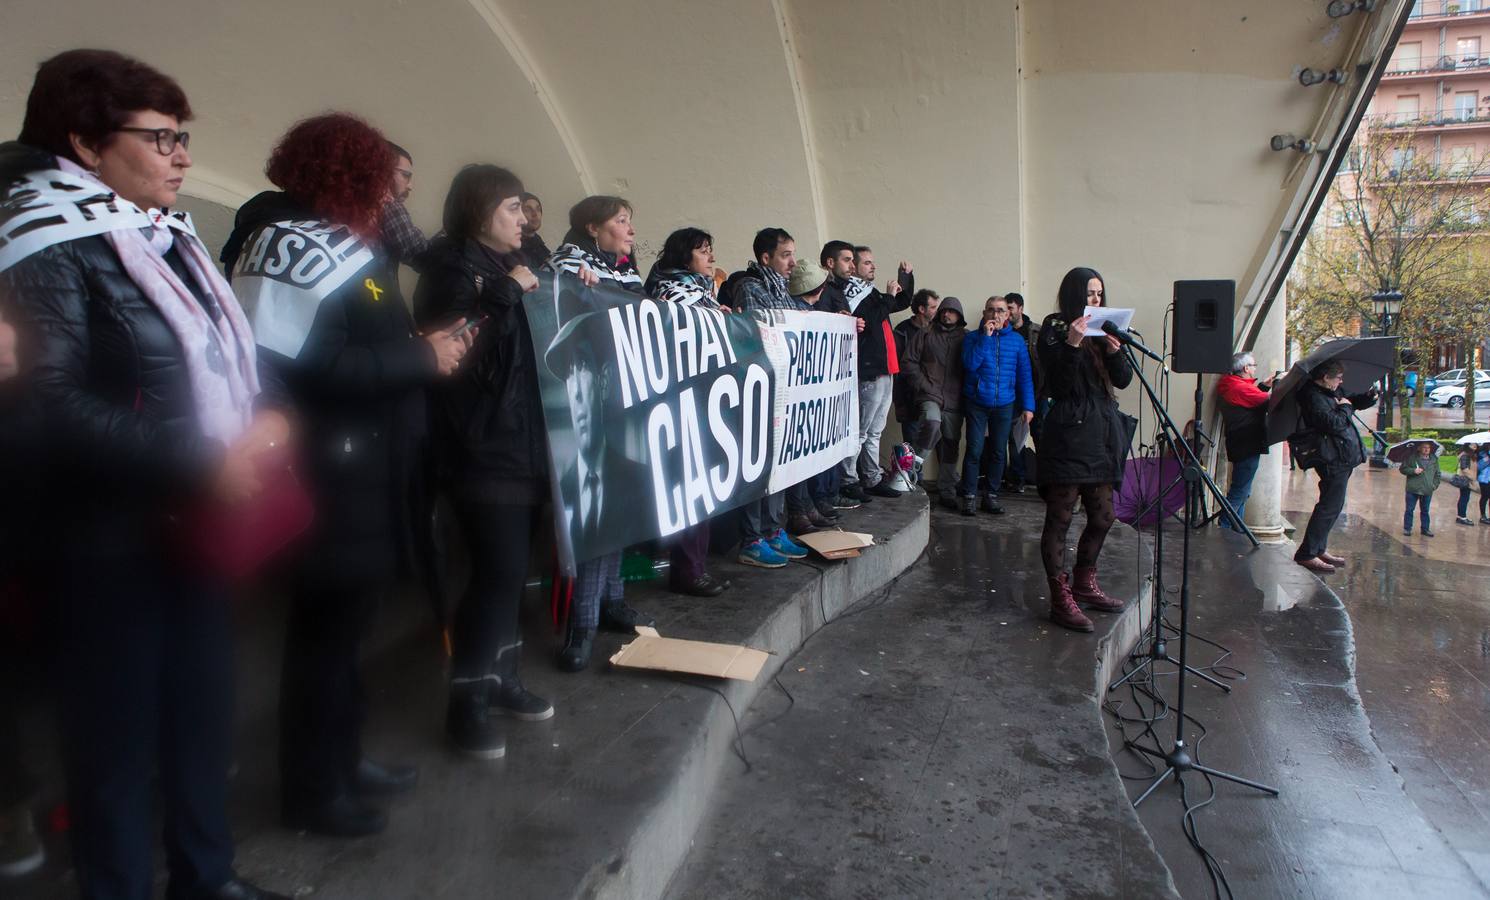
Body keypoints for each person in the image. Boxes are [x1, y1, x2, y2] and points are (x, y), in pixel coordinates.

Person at [2, 49, 289, 899]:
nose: (184, 156)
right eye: (162, 137)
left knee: (201, 722)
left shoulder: (161, 234)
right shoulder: (43, 243)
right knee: (115, 753)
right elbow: (46, 402)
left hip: (193, 528)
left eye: (184, 136)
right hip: (105, 539)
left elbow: (220, 348)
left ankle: (208, 879)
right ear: (86, 143)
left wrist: (263, 408)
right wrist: (201, 457)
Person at [225, 113, 471, 839]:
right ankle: (312, 787)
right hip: (329, 476)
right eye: (382, 179)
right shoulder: (287, 240)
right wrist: (419, 360)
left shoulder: (345, 241)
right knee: (323, 640)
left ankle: (345, 758)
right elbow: (298, 365)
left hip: (373, 468)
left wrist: (414, 348)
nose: (394, 198)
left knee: (350, 633)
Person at [411, 164, 552, 759]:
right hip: (479, 446)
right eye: (513, 208)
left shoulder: (503, 269)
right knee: (493, 574)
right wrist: (508, 290)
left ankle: (501, 679)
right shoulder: (451, 270)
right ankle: (465, 701)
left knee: (511, 573)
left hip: (518, 442)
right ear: (479, 210)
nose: (524, 219)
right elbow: (455, 355)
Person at [543, 195, 656, 670]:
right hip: (590, 399)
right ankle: (582, 627)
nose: (631, 230)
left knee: (623, 497)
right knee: (596, 509)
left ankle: (611, 599)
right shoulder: (568, 265)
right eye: (621, 221)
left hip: (626, 398)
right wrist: (575, 286)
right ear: (593, 227)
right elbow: (552, 310)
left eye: (631, 220)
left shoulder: (625, 270)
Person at [1035, 268, 1133, 632]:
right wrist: (1074, 344)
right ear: (1075, 294)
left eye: (1100, 294)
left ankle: (1083, 581)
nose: (1096, 300)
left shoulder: (1103, 331)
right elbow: (1058, 384)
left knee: (1104, 516)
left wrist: (1113, 351)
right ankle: (1060, 598)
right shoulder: (1055, 328)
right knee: (1060, 518)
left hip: (1102, 431)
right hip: (1069, 433)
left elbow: (1121, 380)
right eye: (1090, 293)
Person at [644, 228, 732, 597]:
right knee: (692, 486)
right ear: (684, 256)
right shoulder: (671, 290)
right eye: (703, 252)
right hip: (680, 401)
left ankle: (693, 565)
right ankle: (688, 570)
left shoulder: (699, 289)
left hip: (702, 398)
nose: (711, 258)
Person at [725, 228, 811, 568]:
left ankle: (774, 529)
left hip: (782, 391)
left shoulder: (784, 291)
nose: (793, 262)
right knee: (758, 468)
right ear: (766, 258)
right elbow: (756, 334)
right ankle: (752, 538)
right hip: (759, 390)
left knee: (779, 465)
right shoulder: (751, 288)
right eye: (786, 255)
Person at [838, 246, 915, 502]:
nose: (873, 267)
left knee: (875, 430)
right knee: (860, 430)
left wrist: (904, 279)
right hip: (869, 370)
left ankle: (871, 477)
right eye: (867, 263)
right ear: (854, 268)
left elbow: (902, 302)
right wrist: (890, 296)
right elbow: (871, 319)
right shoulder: (851, 294)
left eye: (873, 262)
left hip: (886, 369)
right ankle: (850, 479)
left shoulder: (870, 293)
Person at [1291, 359, 1377, 575]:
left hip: (1341, 455)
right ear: (1324, 377)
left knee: (1334, 505)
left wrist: (1366, 398)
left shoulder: (1329, 391)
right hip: (1331, 457)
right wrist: (1346, 408)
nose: (1341, 380)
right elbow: (1334, 422)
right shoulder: (1312, 396)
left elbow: (1348, 402)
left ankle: (1319, 548)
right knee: (1329, 506)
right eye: (1337, 377)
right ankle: (1307, 553)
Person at [959, 296, 1034, 516]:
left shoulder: (1017, 341)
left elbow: (1025, 376)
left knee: (999, 452)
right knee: (974, 450)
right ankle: (969, 497)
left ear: (1008, 314)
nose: (996, 314)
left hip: (1004, 404)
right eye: (991, 310)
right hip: (977, 402)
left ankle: (991, 496)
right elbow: (970, 365)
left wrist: (1028, 406)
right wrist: (985, 338)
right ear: (984, 313)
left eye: (1000, 310)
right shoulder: (973, 338)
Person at [901, 296, 968, 507]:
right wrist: (923, 384)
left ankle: (947, 489)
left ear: (959, 315)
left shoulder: (966, 338)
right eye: (944, 311)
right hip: (929, 394)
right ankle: (911, 470)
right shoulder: (926, 333)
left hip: (955, 399)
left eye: (952, 311)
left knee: (950, 443)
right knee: (931, 423)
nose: (947, 314)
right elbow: (908, 362)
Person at [1216, 352, 1276, 530]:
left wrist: (1264, 386)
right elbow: (1268, 402)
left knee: (1243, 489)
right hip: (1247, 442)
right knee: (1240, 490)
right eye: (1253, 365)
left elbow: (1251, 402)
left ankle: (1237, 527)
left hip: (1240, 441)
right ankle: (1226, 524)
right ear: (1245, 368)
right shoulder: (1239, 388)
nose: (1255, 368)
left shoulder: (1232, 384)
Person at [893, 289, 940, 449]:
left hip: (933, 395)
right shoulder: (902, 331)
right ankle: (913, 475)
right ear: (921, 309)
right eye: (933, 307)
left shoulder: (937, 330)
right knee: (911, 444)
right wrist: (899, 401)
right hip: (909, 398)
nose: (937, 311)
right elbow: (897, 367)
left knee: (935, 439)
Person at [1003, 292, 1040, 492]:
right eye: (1005, 308)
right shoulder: (1003, 331)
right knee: (1011, 438)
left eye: (1011, 307)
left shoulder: (1035, 331)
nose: (1007, 312)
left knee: (1039, 435)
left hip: (1037, 392)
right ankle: (1016, 478)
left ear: (1020, 309)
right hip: (1011, 393)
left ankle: (1045, 481)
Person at [379, 141, 429, 273]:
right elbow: (422, 257)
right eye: (405, 175)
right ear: (383, 171)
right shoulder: (390, 207)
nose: (410, 186)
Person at [1401, 442, 1440, 537]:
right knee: (1410, 509)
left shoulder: (1434, 460)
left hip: (1427, 489)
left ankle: (1425, 529)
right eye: (1424, 447)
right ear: (1419, 448)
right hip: (1413, 488)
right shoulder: (1411, 458)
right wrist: (1413, 471)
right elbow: (1403, 469)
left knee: (1425, 510)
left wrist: (1433, 485)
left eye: (1428, 448)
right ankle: (1407, 528)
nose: (1427, 449)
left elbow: (1437, 474)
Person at [519, 191, 551, 269]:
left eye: (538, 209)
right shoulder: (516, 247)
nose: (535, 214)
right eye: (527, 210)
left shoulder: (536, 239)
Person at [1456, 444, 1478, 526]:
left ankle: (1460, 516)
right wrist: (1472, 477)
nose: (1475, 446)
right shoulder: (1465, 455)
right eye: (1473, 445)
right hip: (1466, 480)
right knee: (1464, 498)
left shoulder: (1468, 454)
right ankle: (1462, 517)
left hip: (1467, 479)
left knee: (1464, 497)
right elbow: (1464, 468)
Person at [1478, 443, 1490, 524]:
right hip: (1484, 479)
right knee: (1485, 496)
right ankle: (1483, 516)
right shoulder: (1482, 454)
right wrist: (1488, 460)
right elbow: (1479, 466)